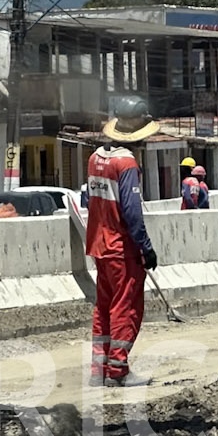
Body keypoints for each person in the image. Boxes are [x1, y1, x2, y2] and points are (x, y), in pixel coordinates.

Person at [87, 105, 161, 385]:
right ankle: (118, 371)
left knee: (103, 307)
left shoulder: (95, 158)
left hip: (99, 245)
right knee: (125, 308)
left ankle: (99, 371)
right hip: (121, 248)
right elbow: (132, 212)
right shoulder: (126, 163)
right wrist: (146, 247)